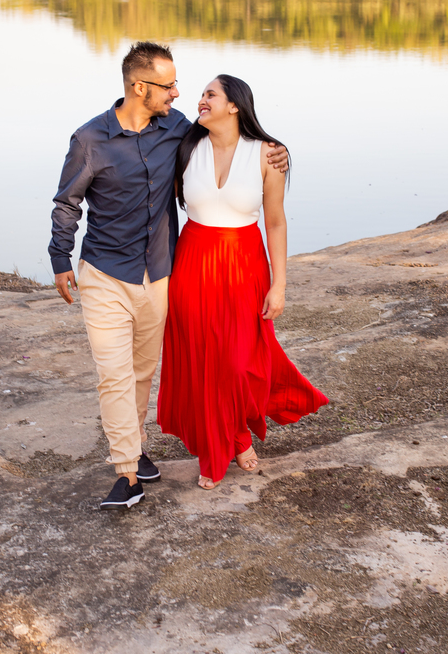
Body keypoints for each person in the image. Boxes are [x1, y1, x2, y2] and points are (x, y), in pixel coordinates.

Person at [49, 43, 289, 510]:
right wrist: (60, 258)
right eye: (170, 85)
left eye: (182, 85)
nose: (179, 93)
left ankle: (139, 447)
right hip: (105, 271)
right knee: (114, 375)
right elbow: (67, 203)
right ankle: (126, 474)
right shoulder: (90, 139)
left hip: (159, 272)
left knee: (142, 371)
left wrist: (275, 153)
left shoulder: (178, 130)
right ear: (140, 87)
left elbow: (233, 141)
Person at [158, 74, 328, 490]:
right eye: (201, 95)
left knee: (238, 363)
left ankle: (234, 431)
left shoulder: (267, 153)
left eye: (210, 94)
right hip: (193, 265)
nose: (200, 100)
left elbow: (276, 222)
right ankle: (221, 446)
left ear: (234, 105)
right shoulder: (186, 146)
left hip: (244, 266)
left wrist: (279, 284)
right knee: (202, 362)